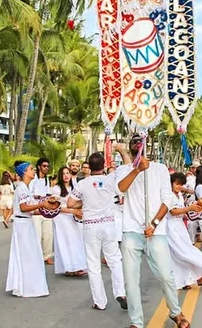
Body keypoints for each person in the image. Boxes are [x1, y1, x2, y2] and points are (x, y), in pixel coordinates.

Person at [115, 134, 190, 328]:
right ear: (131, 148)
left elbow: (168, 199)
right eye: (134, 142)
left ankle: (176, 312)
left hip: (155, 232)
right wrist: (137, 170)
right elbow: (120, 189)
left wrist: (155, 222)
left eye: (141, 142)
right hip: (131, 230)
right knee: (131, 281)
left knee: (165, 275)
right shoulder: (123, 169)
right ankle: (136, 322)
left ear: (148, 146)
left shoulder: (161, 169)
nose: (138, 145)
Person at [68, 153, 127, 311]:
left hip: (90, 226)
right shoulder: (111, 179)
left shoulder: (82, 184)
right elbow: (128, 167)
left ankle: (100, 302)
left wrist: (85, 201)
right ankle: (120, 292)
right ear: (104, 164)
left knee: (93, 265)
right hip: (108, 224)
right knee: (115, 260)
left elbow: (70, 203)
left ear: (88, 167)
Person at [5, 161, 54, 298]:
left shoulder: (26, 188)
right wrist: (42, 204)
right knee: (26, 255)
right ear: (24, 172)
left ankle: (30, 285)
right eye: (31, 169)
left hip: (27, 223)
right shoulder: (21, 188)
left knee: (32, 255)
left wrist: (47, 210)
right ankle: (25, 286)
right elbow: (23, 207)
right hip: (22, 225)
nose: (33, 171)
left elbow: (31, 210)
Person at [167, 172, 202, 290]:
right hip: (171, 227)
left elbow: (182, 212)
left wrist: (193, 213)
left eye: (180, 184)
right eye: (176, 184)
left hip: (180, 227)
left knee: (184, 252)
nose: (178, 186)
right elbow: (172, 212)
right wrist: (190, 208)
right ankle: (187, 278)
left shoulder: (179, 196)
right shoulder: (169, 195)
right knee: (180, 253)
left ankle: (187, 279)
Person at [51, 167, 87, 277]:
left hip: (74, 218)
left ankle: (77, 266)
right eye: (63, 174)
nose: (66, 175)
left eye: (68, 173)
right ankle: (69, 268)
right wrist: (72, 211)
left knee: (77, 242)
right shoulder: (56, 189)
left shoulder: (74, 187)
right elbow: (55, 208)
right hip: (62, 218)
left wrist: (78, 211)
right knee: (65, 242)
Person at [30, 157, 54, 265]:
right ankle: (36, 256)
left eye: (47, 166)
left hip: (46, 209)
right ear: (39, 166)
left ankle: (47, 256)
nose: (46, 168)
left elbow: (48, 193)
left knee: (48, 235)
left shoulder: (47, 179)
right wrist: (37, 197)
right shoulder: (33, 178)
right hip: (35, 209)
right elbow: (29, 193)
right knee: (37, 235)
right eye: (44, 166)